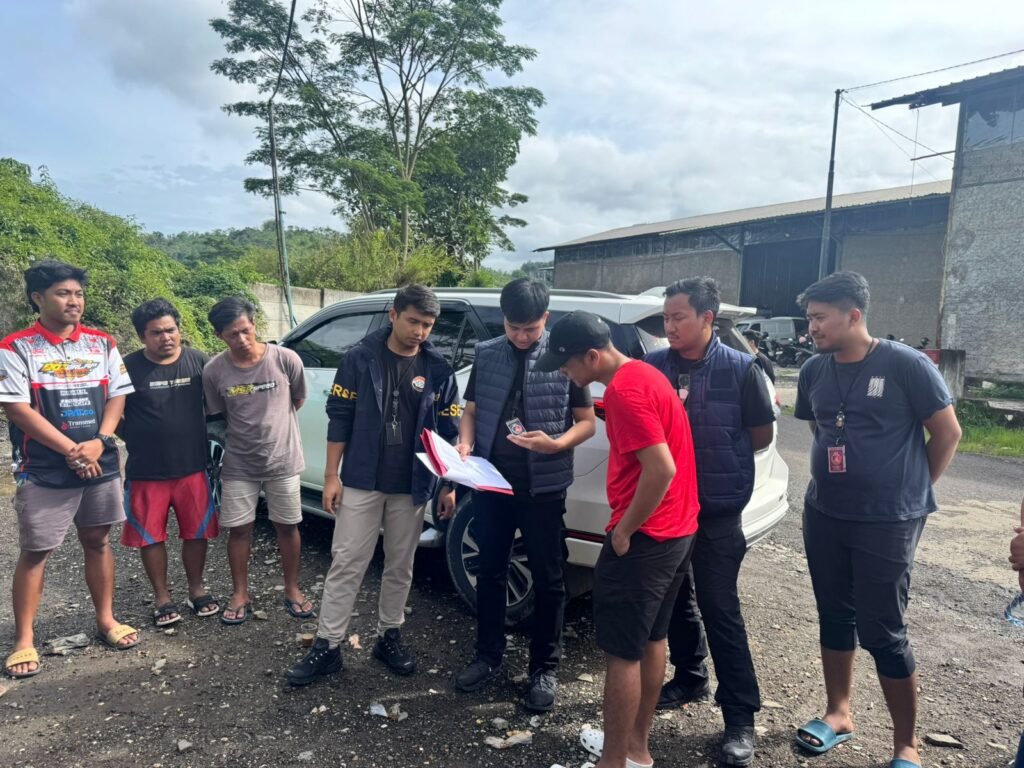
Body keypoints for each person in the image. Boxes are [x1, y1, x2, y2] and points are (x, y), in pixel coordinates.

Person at [792, 271, 961, 768]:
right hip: (825, 512)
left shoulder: (906, 365)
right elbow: (822, 426)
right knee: (834, 614)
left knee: (884, 628)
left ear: (854, 316)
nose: (812, 328)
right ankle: (839, 714)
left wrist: (910, 487)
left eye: (820, 318)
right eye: (809, 318)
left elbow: (947, 433)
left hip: (888, 519)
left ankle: (906, 745)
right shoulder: (813, 370)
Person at [536, 311, 700, 768]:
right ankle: (635, 750)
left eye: (566, 364)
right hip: (678, 529)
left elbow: (661, 469)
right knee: (651, 639)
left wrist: (625, 529)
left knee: (622, 653)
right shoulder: (644, 373)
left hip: (646, 537)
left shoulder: (625, 392)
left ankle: (612, 762)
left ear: (592, 356)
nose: (564, 373)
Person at [287, 285, 461, 686]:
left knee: (401, 563)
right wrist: (331, 476)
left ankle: (389, 635)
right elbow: (340, 416)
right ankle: (328, 645)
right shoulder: (360, 358)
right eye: (413, 321)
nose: (420, 331)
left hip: (413, 482)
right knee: (347, 560)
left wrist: (448, 484)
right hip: (363, 478)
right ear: (393, 315)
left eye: (428, 325)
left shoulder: (438, 367)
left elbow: (448, 430)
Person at [643, 277, 775, 767]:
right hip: (668, 509)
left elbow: (761, 435)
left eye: (678, 317)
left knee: (720, 608)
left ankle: (740, 716)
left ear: (707, 318)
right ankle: (690, 677)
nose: (669, 326)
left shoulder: (741, 369)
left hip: (717, 509)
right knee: (674, 600)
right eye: (666, 318)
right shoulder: (654, 367)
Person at [451, 278, 596, 712]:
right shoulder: (487, 353)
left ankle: (544, 668)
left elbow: (586, 421)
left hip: (543, 486)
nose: (520, 336)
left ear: (545, 319)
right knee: (490, 570)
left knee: (549, 579)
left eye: (530, 328)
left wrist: (557, 444)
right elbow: (471, 411)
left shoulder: (562, 356)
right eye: (513, 327)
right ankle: (487, 655)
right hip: (492, 482)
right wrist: (464, 442)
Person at [1, 259, 139, 678]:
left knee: (98, 541)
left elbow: (117, 395)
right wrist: (72, 451)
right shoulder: (15, 347)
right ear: (38, 298)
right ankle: (24, 639)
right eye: (63, 293)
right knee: (37, 550)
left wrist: (101, 441)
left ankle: (106, 620)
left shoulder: (102, 343)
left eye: (78, 293)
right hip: (43, 467)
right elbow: (17, 408)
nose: (74, 301)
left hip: (101, 460)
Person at [202, 296, 313, 625]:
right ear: (219, 335)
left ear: (253, 325)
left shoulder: (285, 359)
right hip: (239, 464)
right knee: (239, 530)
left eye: (245, 330)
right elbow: (219, 414)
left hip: (283, 460)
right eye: (232, 334)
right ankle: (240, 593)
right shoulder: (214, 371)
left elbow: (298, 399)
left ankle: (292, 589)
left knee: (288, 527)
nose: (241, 339)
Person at [120, 298, 220, 626]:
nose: (166, 337)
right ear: (142, 336)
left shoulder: (199, 362)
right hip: (146, 471)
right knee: (151, 537)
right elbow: (112, 411)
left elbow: (217, 406)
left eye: (171, 330)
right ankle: (162, 598)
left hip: (193, 468)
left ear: (179, 329)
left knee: (197, 533)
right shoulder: (127, 367)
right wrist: (133, 435)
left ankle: (196, 589)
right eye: (156, 333)